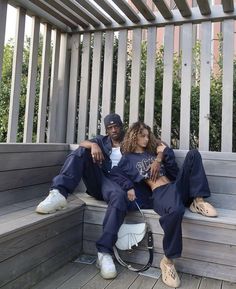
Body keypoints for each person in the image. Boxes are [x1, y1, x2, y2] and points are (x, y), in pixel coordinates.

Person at [36, 114, 158, 280]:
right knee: (82, 151)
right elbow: (83, 143)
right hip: (99, 180)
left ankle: (103, 253)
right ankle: (58, 192)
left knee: (117, 196)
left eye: (116, 126)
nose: (114, 130)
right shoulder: (101, 141)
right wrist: (93, 145)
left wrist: (160, 154)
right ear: (106, 130)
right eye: (110, 128)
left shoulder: (131, 141)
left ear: (122, 126)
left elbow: (153, 145)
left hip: (119, 186)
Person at [110, 121, 217, 288]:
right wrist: (129, 186)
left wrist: (161, 157)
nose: (146, 139)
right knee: (175, 211)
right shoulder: (128, 159)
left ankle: (198, 201)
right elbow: (115, 173)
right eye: (142, 136)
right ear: (133, 136)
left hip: (175, 187)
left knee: (194, 154)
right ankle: (168, 262)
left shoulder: (154, 153)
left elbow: (174, 172)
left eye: (147, 136)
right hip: (160, 193)